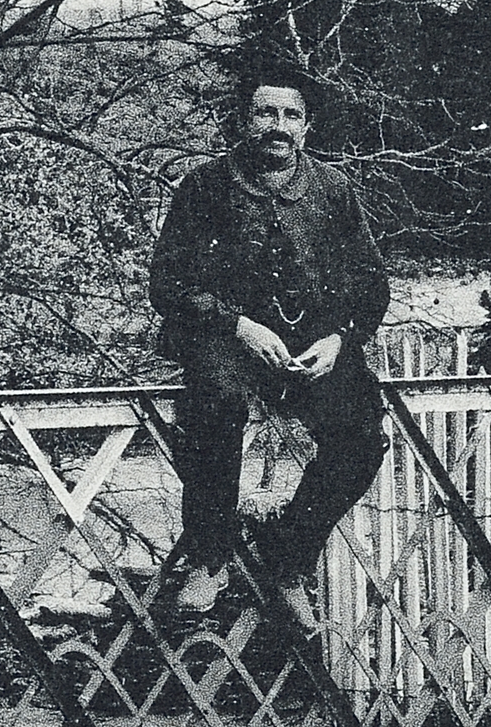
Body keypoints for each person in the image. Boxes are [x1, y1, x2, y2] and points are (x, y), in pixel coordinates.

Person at [146, 69, 391, 619]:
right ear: (244, 120)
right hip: (226, 341)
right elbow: (167, 280)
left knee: (360, 438)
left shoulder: (333, 190)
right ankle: (210, 556)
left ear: (306, 127)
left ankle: (290, 554)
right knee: (215, 412)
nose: (277, 127)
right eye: (266, 114)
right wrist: (237, 325)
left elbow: (372, 283)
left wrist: (338, 339)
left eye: (290, 116)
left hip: (309, 349)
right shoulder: (205, 186)